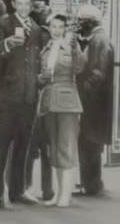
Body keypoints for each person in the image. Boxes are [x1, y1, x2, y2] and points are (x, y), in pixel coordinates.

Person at [0, 13, 42, 208]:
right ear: (14, 4)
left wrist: (39, 82)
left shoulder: (35, 28)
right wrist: (7, 43)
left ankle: (17, 191)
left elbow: (36, 60)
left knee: (22, 147)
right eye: (20, 3)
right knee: (1, 146)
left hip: (28, 100)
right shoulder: (2, 25)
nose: (24, 7)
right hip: (7, 100)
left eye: (27, 4)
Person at [35, 12, 85, 206]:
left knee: (66, 147)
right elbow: (41, 75)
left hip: (67, 101)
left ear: (65, 29)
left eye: (60, 27)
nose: (56, 30)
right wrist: (41, 78)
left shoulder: (72, 46)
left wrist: (74, 48)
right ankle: (58, 193)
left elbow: (80, 68)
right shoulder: (46, 48)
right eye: (53, 27)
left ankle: (66, 194)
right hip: (49, 100)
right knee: (53, 149)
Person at [72, 13, 114, 199]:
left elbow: (98, 71)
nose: (79, 25)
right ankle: (90, 182)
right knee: (90, 141)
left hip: (94, 102)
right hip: (96, 101)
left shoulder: (99, 40)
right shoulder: (98, 39)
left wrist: (84, 89)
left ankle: (91, 184)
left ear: (89, 22)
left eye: (81, 22)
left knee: (90, 141)